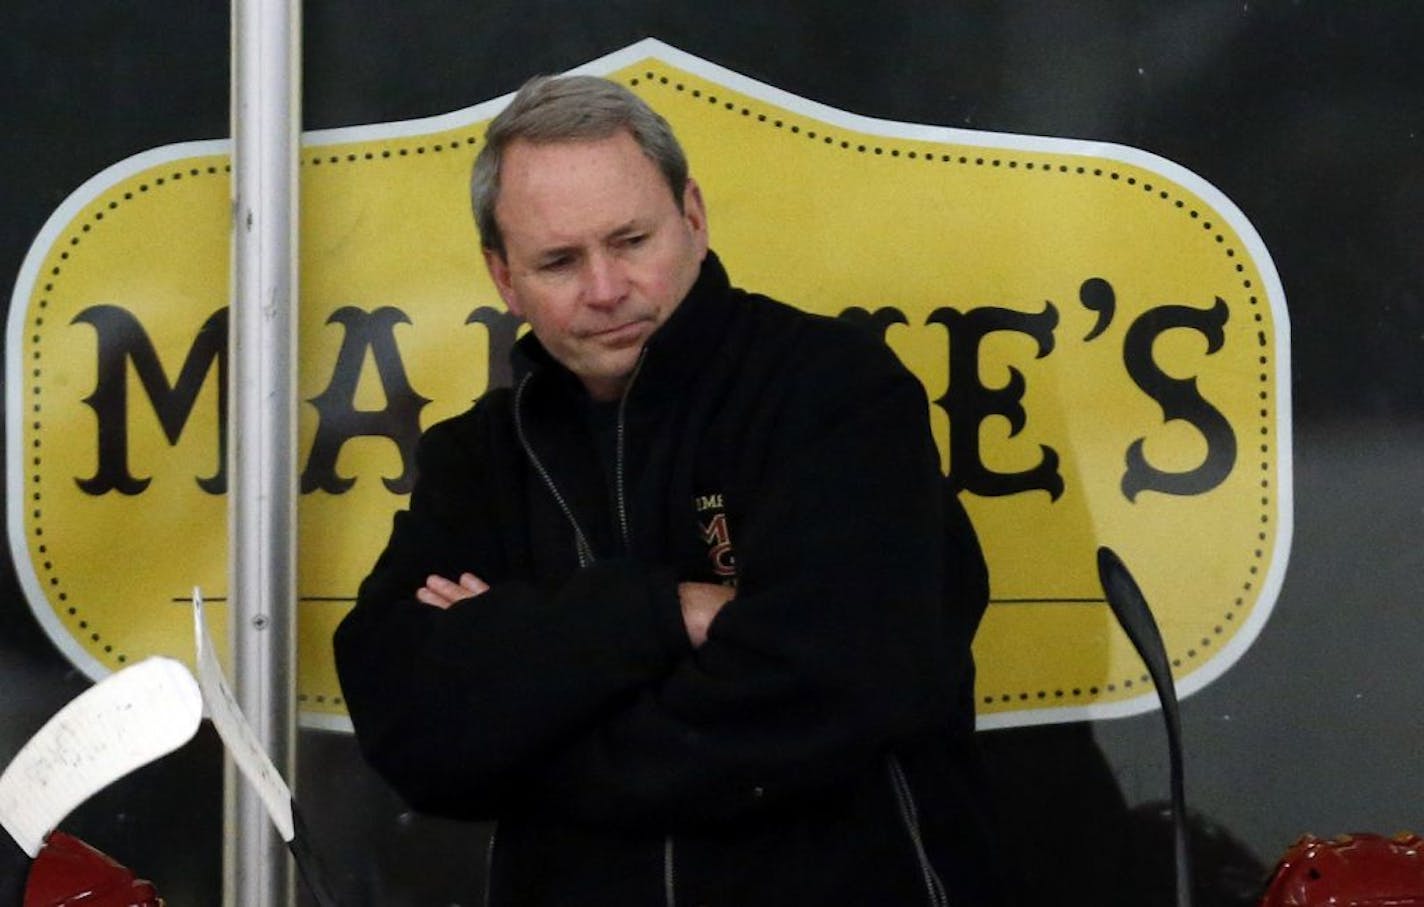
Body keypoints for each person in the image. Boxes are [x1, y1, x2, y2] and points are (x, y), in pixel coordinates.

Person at [334, 74, 1003, 906]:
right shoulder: (480, 458)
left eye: (631, 240)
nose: (607, 288)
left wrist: (524, 707)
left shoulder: (832, 392)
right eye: (560, 260)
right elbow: (408, 724)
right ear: (504, 278)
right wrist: (665, 613)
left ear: (692, 216)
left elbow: (840, 689)